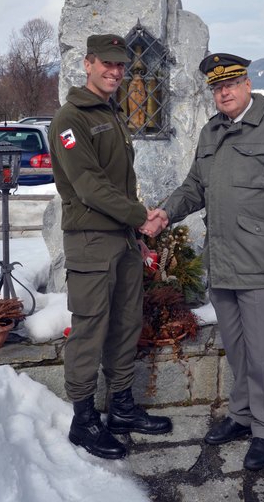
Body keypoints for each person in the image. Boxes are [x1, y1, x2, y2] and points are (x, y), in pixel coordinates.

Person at [150, 52, 264, 470]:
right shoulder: (211, 132)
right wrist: (166, 212)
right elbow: (194, 187)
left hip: (261, 261)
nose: (223, 92)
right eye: (217, 87)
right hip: (222, 262)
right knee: (238, 349)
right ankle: (242, 416)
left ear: (248, 85)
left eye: (231, 84)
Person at [49, 34, 172, 461]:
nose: (116, 72)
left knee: (124, 321)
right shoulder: (70, 119)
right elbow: (89, 186)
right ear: (88, 63)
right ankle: (84, 420)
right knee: (90, 329)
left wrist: (136, 224)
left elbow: (120, 183)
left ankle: (120, 408)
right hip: (90, 242)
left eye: (121, 66)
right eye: (107, 64)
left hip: (121, 238)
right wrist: (143, 217)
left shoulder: (112, 112)